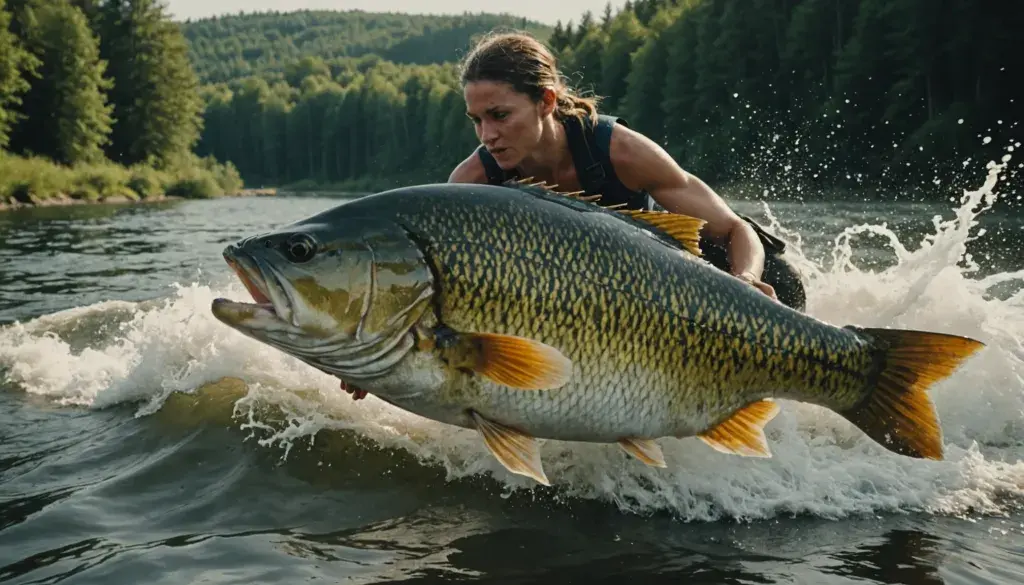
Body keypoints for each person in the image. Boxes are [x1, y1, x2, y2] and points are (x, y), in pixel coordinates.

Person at [447, 31, 806, 312]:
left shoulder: (622, 151)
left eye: (500, 115)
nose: (487, 135)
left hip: (660, 281)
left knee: (780, 277)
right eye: (476, 120)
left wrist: (746, 280)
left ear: (546, 101)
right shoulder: (472, 183)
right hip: (569, 299)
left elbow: (734, 229)